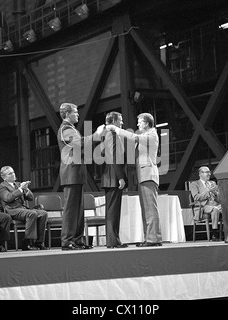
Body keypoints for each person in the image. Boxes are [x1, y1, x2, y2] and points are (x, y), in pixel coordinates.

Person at [106, 113, 162, 247]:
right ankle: (149, 237)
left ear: (147, 123)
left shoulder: (151, 135)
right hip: (144, 176)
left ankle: (153, 239)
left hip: (148, 175)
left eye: (140, 122)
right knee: (146, 209)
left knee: (150, 209)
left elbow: (134, 137)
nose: (138, 125)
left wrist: (116, 130)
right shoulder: (147, 135)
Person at [57, 102, 105, 250]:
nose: (78, 114)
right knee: (71, 209)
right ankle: (67, 241)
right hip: (71, 172)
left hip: (76, 173)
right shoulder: (65, 129)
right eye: (75, 112)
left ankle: (77, 240)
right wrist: (96, 135)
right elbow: (80, 143)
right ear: (67, 114)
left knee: (78, 209)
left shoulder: (71, 129)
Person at [0, 166, 48, 251]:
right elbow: (8, 198)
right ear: (4, 177)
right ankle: (27, 242)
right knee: (32, 213)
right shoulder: (2, 186)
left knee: (43, 213)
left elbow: (31, 198)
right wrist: (20, 189)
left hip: (22, 209)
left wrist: (26, 189)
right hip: (12, 210)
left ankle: (39, 242)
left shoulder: (18, 184)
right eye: (10, 173)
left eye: (13, 172)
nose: (13, 174)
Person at [101, 112, 127, 249]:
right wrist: (121, 177)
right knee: (113, 211)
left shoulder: (106, 134)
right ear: (114, 121)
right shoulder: (112, 134)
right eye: (120, 120)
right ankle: (113, 241)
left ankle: (114, 240)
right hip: (113, 177)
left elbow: (103, 153)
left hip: (109, 175)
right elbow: (115, 157)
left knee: (113, 211)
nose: (122, 123)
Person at [190, 166, 221, 241]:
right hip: (203, 206)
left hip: (215, 204)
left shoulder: (213, 183)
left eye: (209, 172)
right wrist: (209, 192)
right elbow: (196, 197)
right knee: (215, 209)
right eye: (207, 172)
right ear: (200, 174)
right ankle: (214, 234)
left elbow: (219, 199)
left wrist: (216, 193)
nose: (209, 174)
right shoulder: (195, 184)